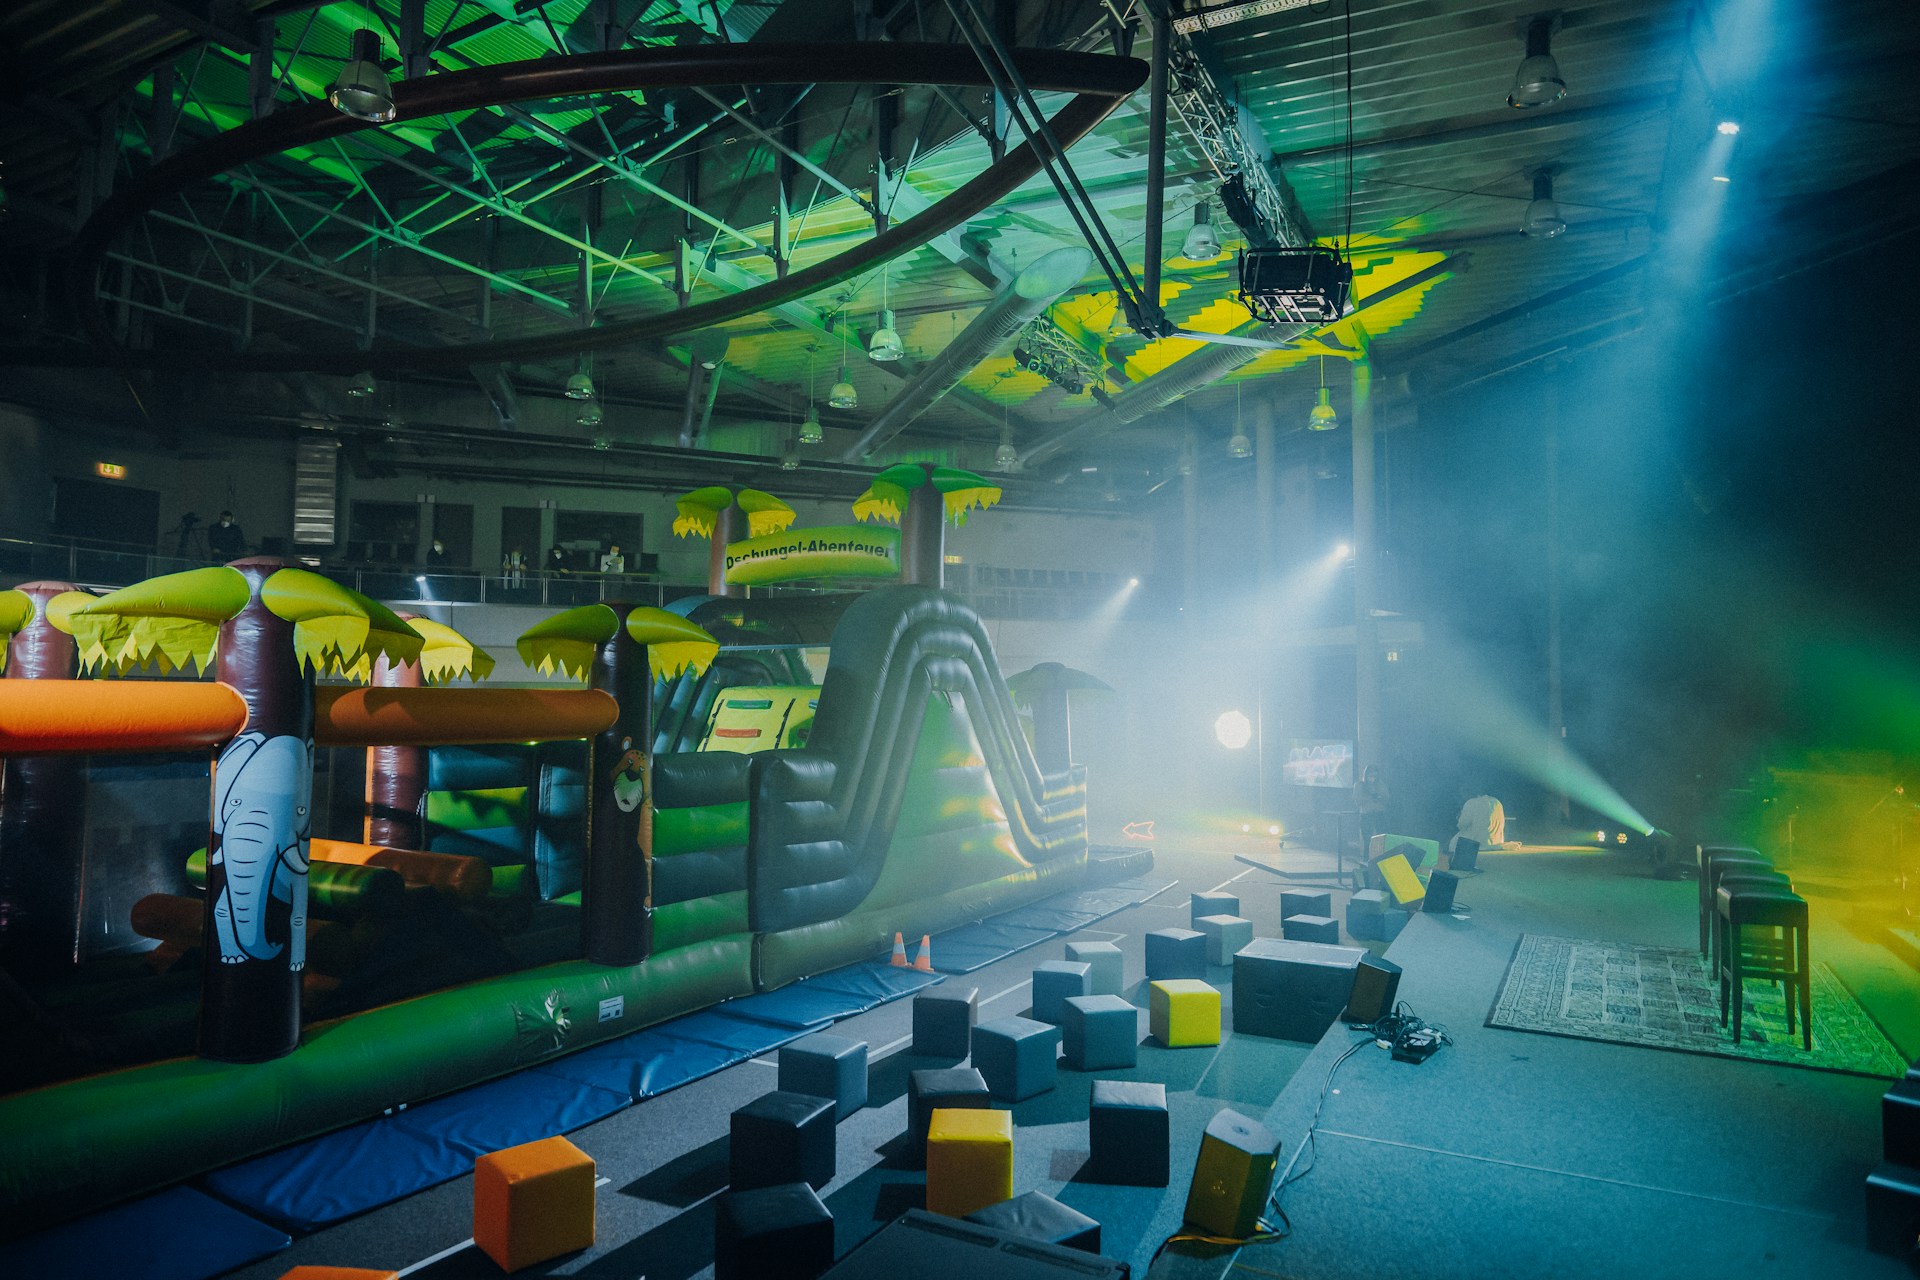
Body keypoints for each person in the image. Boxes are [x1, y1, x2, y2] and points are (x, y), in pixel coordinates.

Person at [1452, 791, 1506, 862]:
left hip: (1476, 845)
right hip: (1496, 843)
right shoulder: (1497, 802)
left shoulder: (1471, 802)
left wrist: (1459, 817)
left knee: (1451, 844)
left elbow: (1462, 825)